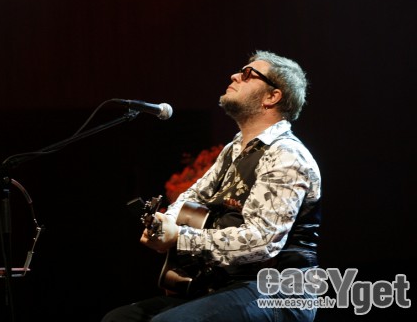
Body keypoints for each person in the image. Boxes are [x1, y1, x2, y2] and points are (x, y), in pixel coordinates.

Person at [102, 50, 321, 322]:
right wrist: (165, 223)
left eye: (248, 74)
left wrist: (179, 237)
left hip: (277, 292)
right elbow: (193, 196)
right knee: (119, 319)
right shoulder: (233, 149)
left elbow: (262, 241)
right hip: (227, 285)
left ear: (272, 97)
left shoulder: (286, 154)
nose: (235, 75)